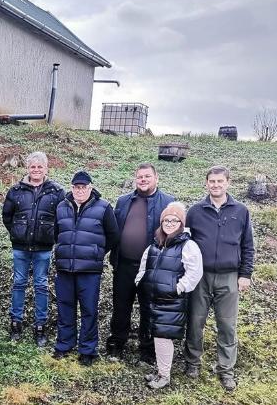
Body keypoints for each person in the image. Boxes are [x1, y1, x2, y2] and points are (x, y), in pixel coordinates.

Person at [184, 166, 255, 391]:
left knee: (227, 325)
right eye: (212, 181)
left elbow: (247, 245)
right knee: (195, 322)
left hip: (229, 278)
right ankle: (192, 363)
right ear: (206, 183)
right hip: (200, 277)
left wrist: (245, 274)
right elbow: (185, 244)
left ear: (228, 183)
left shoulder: (241, 211)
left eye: (220, 181)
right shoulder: (195, 211)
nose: (216, 185)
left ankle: (226, 370)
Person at [107, 163, 175, 363]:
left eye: (147, 176)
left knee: (149, 307)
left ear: (156, 178)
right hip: (124, 265)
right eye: (139, 177)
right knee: (120, 306)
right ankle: (117, 343)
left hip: (152, 268)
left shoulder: (168, 202)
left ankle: (147, 349)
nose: (143, 180)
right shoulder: (123, 201)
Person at [53, 171, 120, 366]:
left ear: (90, 188)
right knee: (65, 308)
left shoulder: (104, 207)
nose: (79, 190)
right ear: (72, 188)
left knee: (89, 310)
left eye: (83, 187)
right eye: (76, 187)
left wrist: (96, 253)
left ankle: (88, 349)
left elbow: (113, 236)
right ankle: (64, 345)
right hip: (65, 269)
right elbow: (57, 234)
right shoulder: (61, 206)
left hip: (89, 271)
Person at [135, 202, 203, 389]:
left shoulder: (188, 246)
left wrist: (177, 288)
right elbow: (143, 267)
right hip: (152, 299)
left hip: (171, 301)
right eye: (166, 219)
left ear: (181, 223)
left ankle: (164, 376)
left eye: (174, 220)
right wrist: (140, 282)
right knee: (156, 335)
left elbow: (194, 273)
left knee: (163, 337)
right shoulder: (155, 245)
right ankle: (160, 370)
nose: (170, 223)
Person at [1, 151, 65, 347]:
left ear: (46, 168)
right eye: (32, 166)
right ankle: (16, 323)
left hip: (43, 248)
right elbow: (7, 216)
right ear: (27, 168)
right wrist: (17, 233)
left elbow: (61, 219)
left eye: (40, 167)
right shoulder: (15, 190)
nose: (36, 170)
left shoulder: (56, 191)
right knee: (19, 283)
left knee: (41, 285)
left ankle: (40, 326)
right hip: (20, 247)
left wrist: (50, 237)